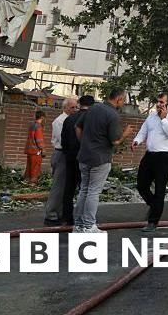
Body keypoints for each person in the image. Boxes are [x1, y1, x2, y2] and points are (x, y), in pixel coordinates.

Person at [74, 88, 133, 233]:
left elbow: (77, 127)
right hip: (100, 158)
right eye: (124, 100)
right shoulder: (112, 115)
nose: (123, 103)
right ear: (118, 99)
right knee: (93, 192)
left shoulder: (93, 108)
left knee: (84, 190)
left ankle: (79, 225)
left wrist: (84, 144)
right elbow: (115, 141)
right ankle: (89, 226)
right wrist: (126, 134)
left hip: (84, 156)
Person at [132, 91, 168, 232]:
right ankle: (155, 206)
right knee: (141, 185)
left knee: (160, 189)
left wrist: (164, 119)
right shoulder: (151, 116)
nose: (159, 104)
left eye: (162, 102)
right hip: (150, 155)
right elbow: (143, 131)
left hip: (164, 157)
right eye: (158, 102)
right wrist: (137, 140)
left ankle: (153, 222)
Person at [61, 95, 94, 226]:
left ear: (79, 104)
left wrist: (67, 154)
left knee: (69, 187)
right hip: (86, 158)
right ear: (92, 105)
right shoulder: (92, 119)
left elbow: (64, 140)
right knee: (85, 189)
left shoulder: (69, 118)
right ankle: (83, 218)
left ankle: (67, 217)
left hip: (70, 157)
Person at [44, 98, 78, 225]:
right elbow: (63, 139)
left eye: (76, 107)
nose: (75, 110)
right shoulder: (60, 121)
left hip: (66, 154)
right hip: (61, 153)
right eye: (72, 107)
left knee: (65, 186)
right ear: (65, 108)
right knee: (59, 185)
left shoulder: (69, 120)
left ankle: (59, 213)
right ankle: (51, 214)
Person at [24, 110, 46, 183]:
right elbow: (39, 139)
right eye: (44, 118)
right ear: (42, 117)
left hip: (29, 150)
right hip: (36, 151)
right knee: (35, 167)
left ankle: (27, 180)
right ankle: (33, 183)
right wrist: (43, 149)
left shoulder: (32, 125)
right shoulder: (38, 126)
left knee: (29, 166)